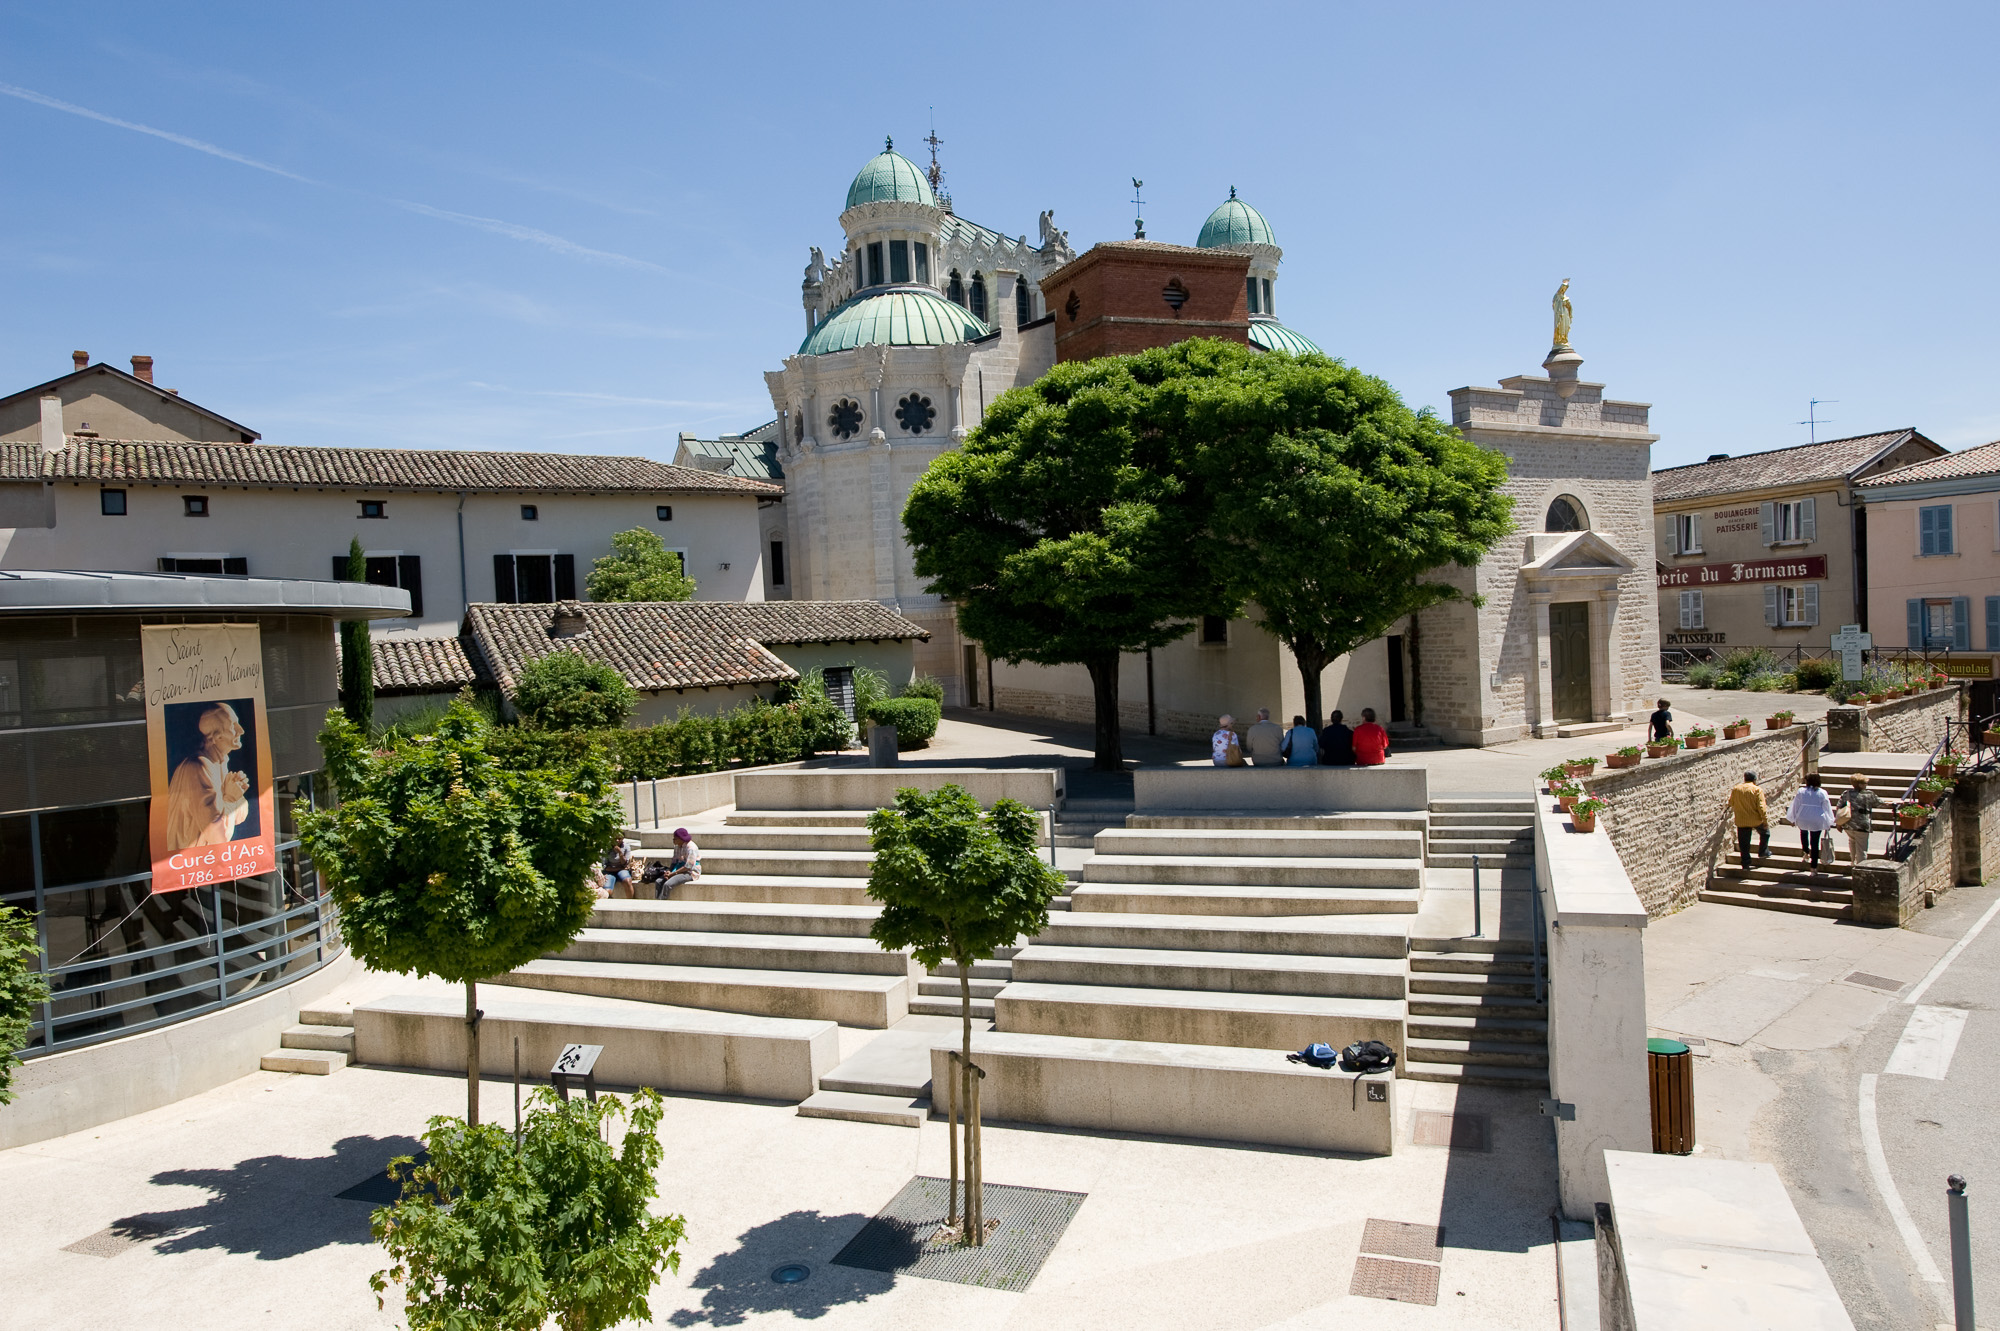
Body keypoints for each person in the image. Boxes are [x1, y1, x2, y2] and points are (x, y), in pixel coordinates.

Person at [164, 702, 252, 852]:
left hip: (204, 860)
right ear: (216, 737)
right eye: (233, 726)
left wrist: (234, 797)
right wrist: (231, 798)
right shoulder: (199, 767)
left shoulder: (219, 762)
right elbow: (218, 838)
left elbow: (241, 816)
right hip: (191, 863)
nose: (241, 731)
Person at [1786, 772, 1836, 873]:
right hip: (1817, 818)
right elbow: (1826, 807)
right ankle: (1813, 867)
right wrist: (1830, 821)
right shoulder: (1822, 792)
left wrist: (1793, 818)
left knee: (1803, 834)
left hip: (1803, 816)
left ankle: (1806, 851)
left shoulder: (1801, 791)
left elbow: (1796, 805)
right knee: (1815, 842)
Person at [1835, 773, 1880, 870]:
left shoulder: (1846, 793)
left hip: (1848, 823)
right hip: (1862, 825)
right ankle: (1861, 868)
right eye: (1865, 783)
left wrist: (1838, 823)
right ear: (1860, 784)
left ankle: (1852, 861)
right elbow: (1880, 803)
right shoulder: (1868, 794)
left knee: (1852, 841)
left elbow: (1839, 807)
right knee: (1862, 848)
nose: (1866, 785)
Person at [1729, 770, 1771, 873]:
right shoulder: (1757, 790)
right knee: (1765, 833)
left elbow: (1731, 803)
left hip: (1741, 820)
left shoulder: (1736, 789)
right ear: (1754, 780)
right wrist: (1765, 821)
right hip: (1755, 819)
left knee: (1744, 843)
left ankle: (1745, 863)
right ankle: (1763, 851)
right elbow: (1762, 807)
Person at [656, 827, 701, 898]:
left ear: (681, 839)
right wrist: (669, 871)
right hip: (677, 869)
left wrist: (672, 874)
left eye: (675, 838)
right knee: (658, 881)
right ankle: (657, 900)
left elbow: (688, 866)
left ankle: (662, 903)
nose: (673, 840)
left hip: (689, 872)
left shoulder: (691, 848)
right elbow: (674, 861)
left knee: (667, 884)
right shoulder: (677, 847)